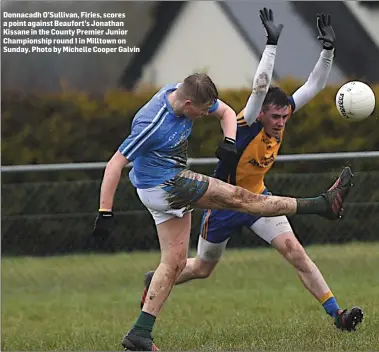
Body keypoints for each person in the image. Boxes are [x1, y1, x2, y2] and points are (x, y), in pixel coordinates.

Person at [93, 9, 353, 351]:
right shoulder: (239, 118)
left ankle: (338, 315)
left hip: (243, 193)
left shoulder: (214, 101)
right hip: (197, 198)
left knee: (287, 251)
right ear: (260, 112)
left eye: (284, 116)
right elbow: (116, 163)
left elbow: (310, 86)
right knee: (209, 254)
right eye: (274, 116)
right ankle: (320, 205)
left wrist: (328, 52)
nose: (280, 122)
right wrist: (271, 44)